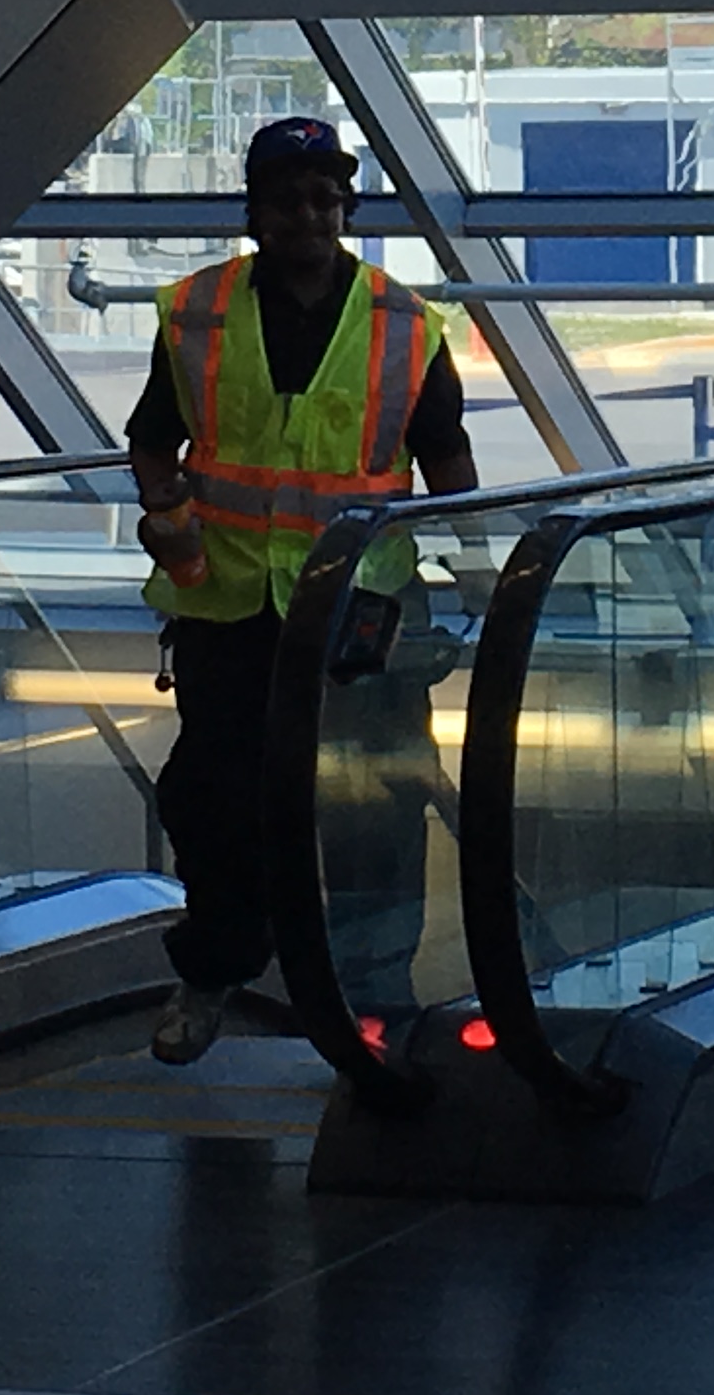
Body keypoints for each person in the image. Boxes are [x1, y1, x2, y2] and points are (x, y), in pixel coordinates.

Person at [128, 116, 476, 1065]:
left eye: (325, 196)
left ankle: (377, 997)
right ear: (255, 214)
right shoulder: (197, 315)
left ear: (347, 208)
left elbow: (448, 461)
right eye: (288, 198)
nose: (308, 214)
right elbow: (154, 436)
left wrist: (482, 567)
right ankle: (218, 967)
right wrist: (164, 504)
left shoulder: (405, 325)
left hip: (364, 613)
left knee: (378, 807)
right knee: (213, 799)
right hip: (228, 604)